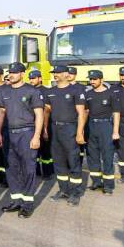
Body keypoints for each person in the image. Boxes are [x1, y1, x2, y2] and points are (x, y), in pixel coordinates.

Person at [0, 62, 44, 218]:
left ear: (22, 74)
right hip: (9, 134)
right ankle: (16, 200)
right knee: (12, 168)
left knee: (28, 169)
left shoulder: (32, 91)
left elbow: (39, 115)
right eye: (10, 72)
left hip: (26, 133)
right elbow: (2, 113)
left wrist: (36, 136)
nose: (11, 75)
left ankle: (27, 203)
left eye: (15, 72)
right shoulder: (5, 91)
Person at [44, 65, 87, 207]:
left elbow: (81, 113)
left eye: (57, 73)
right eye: (54, 73)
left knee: (73, 160)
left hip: (70, 128)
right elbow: (47, 111)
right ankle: (64, 190)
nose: (55, 75)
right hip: (54, 128)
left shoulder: (75, 90)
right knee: (59, 161)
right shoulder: (51, 92)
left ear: (65, 74)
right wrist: (45, 128)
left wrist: (80, 132)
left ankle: (75, 192)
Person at [85, 70, 120, 195]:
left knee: (107, 156)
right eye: (91, 79)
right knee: (92, 155)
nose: (92, 81)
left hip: (106, 126)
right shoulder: (88, 94)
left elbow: (116, 113)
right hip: (91, 126)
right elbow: (85, 112)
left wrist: (115, 131)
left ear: (101, 79)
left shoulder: (111, 94)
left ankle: (109, 185)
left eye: (94, 79)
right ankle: (96, 182)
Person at [28, 70, 54, 179]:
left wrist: (45, 129)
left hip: (45, 124)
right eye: (30, 78)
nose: (31, 80)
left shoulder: (46, 91)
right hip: (31, 124)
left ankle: (48, 173)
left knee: (45, 151)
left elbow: (48, 109)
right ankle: (37, 171)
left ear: (40, 78)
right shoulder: (29, 91)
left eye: (33, 78)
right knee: (34, 150)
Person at [115, 66, 124, 184]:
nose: (123, 77)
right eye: (121, 75)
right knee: (122, 150)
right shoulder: (115, 89)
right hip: (120, 123)